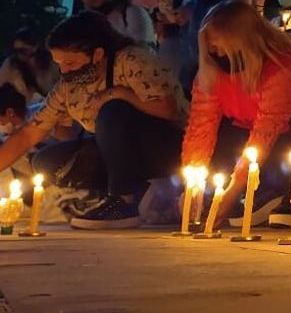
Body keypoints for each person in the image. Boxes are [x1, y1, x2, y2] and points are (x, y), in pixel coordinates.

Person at [0, 13, 188, 229]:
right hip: (120, 157)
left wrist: (119, 93)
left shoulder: (131, 60)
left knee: (112, 110)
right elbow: (29, 133)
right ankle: (114, 196)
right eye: (59, 64)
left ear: (97, 54)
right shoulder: (70, 84)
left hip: (167, 146)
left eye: (70, 63)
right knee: (47, 161)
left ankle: (123, 201)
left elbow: (170, 110)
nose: (64, 71)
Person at [181, 1, 291, 231]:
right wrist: (191, 190)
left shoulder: (282, 65)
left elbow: (268, 128)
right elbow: (200, 128)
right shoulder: (211, 72)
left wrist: (233, 190)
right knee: (224, 131)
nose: (214, 51)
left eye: (218, 44)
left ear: (243, 40)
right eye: (208, 46)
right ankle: (265, 193)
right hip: (271, 132)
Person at [0, 28, 60, 103]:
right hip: (29, 110)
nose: (19, 54)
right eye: (16, 51)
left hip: (53, 106)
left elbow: (62, 82)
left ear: (35, 47)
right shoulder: (11, 65)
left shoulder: (50, 61)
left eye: (23, 50)